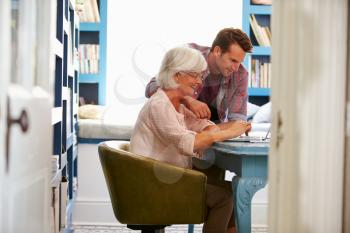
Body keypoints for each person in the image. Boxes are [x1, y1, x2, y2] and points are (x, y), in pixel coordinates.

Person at [131, 46, 251, 233]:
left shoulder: (175, 104)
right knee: (225, 197)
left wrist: (223, 128)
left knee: (230, 192)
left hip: (165, 180)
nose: (199, 82)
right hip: (155, 188)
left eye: (200, 76)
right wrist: (226, 132)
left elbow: (199, 124)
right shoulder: (159, 105)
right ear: (177, 75)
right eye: (195, 75)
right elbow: (189, 143)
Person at [145, 27, 253, 123]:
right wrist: (186, 99)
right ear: (217, 51)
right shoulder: (189, 54)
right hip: (178, 124)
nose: (236, 68)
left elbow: (238, 119)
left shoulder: (241, 74)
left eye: (240, 62)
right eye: (233, 60)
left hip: (211, 129)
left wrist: (240, 126)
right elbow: (151, 88)